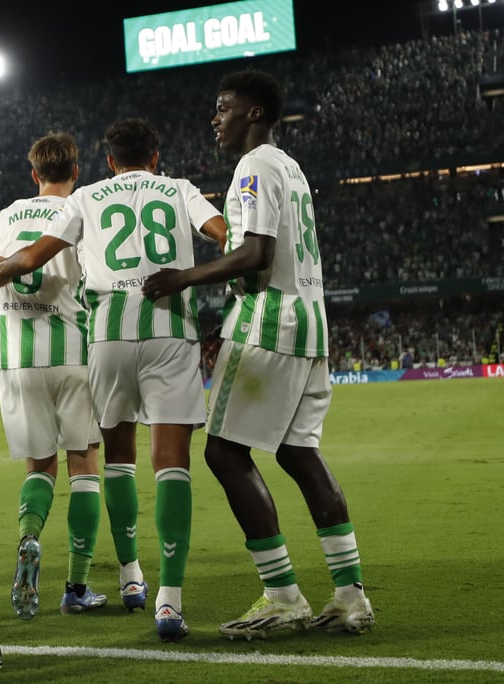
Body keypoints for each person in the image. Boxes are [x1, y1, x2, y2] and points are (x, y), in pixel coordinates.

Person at [142, 69, 375, 639]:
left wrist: (183, 278)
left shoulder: (253, 166)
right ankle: (350, 595)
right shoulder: (289, 166)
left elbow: (256, 253)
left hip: (269, 322)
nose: (214, 119)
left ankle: (282, 595)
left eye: (223, 108)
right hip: (310, 325)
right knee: (299, 455)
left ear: (253, 113)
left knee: (223, 454)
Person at [0, 119, 227, 641]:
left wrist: (1, 275)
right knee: (172, 464)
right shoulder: (180, 189)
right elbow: (227, 235)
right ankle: (169, 602)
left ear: (108, 162)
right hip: (171, 331)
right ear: (156, 156)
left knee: (117, 459)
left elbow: (32, 258)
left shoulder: (88, 198)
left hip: (107, 338)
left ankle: (129, 575)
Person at [0, 132, 108, 622]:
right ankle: (77, 586)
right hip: (73, 351)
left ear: (33, 174)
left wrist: (11, 307)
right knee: (85, 463)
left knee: (39, 468)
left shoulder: (5, 217)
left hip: (16, 358)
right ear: (76, 171)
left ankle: (30, 535)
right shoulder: (82, 211)